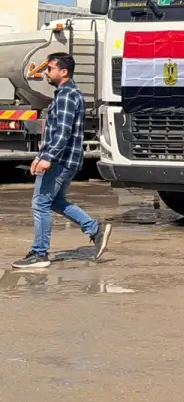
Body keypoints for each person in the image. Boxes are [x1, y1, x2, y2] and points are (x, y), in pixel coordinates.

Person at [12, 53, 112, 269]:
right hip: (65, 158)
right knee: (55, 201)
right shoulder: (66, 94)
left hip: (62, 159)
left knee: (41, 203)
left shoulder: (67, 96)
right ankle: (95, 229)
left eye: (50, 68)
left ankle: (40, 253)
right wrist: (40, 155)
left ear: (63, 72)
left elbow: (63, 132)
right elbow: (55, 132)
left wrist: (48, 157)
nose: (46, 72)